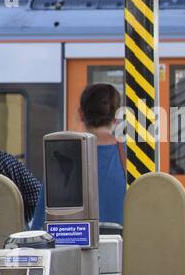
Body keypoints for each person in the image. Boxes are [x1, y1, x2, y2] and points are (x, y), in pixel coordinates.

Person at [30, 83, 129, 229]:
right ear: (116, 118)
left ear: (81, 114)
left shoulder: (63, 157)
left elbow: (41, 223)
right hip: (123, 249)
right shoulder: (131, 159)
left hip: (75, 248)